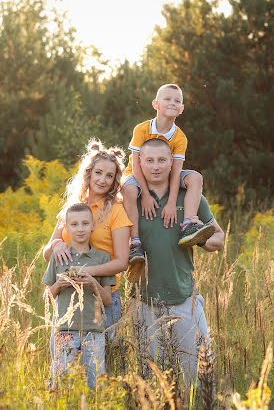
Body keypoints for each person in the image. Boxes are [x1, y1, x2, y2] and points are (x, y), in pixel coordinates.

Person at [128, 138, 224, 387]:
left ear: (172, 163)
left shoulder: (190, 198)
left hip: (185, 300)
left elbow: (219, 239)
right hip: (144, 304)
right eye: (149, 160)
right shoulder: (130, 200)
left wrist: (198, 239)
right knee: (150, 383)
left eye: (162, 160)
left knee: (202, 377)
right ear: (140, 163)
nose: (156, 166)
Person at [43, 140, 132, 331]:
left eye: (109, 176)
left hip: (104, 297)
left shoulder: (116, 211)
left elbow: (122, 262)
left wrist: (87, 272)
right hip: (68, 297)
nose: (102, 180)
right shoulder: (73, 207)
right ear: (88, 173)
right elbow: (47, 254)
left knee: (101, 358)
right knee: (66, 358)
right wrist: (57, 244)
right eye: (98, 172)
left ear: (115, 180)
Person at [122, 83, 214, 264]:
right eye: (167, 99)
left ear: (181, 109)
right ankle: (135, 242)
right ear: (155, 104)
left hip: (167, 175)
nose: (172, 103)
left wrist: (172, 203)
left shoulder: (180, 138)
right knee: (130, 191)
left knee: (195, 177)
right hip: (138, 174)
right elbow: (135, 163)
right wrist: (146, 195)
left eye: (177, 101)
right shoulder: (141, 129)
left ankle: (188, 224)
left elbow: (176, 170)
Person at [42, 203, 116, 388]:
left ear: (92, 226)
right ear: (66, 228)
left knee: (96, 384)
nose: (80, 229)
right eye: (74, 224)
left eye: (85, 223)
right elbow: (46, 299)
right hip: (65, 331)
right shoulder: (58, 257)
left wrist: (92, 282)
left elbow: (107, 300)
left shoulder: (103, 258)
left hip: (94, 331)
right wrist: (59, 284)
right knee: (61, 383)